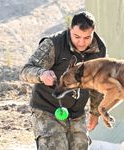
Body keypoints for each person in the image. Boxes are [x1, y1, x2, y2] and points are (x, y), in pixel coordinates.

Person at [19, 11, 106, 150]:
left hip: (77, 114)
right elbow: (25, 71)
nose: (82, 42)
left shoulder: (99, 50)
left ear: (93, 32)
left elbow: (99, 83)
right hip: (47, 111)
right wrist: (42, 74)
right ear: (70, 29)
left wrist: (95, 112)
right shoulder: (53, 44)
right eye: (77, 36)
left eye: (87, 37)